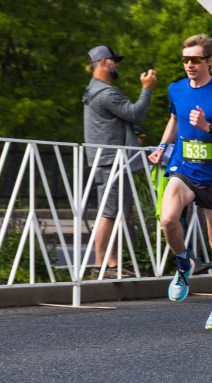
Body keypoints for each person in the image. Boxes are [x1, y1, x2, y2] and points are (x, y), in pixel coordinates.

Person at [147, 34, 212, 329]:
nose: (189, 65)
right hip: (183, 169)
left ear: (209, 61)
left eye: (195, 60)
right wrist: (162, 147)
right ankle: (183, 263)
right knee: (168, 219)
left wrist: (209, 127)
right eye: (185, 60)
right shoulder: (176, 89)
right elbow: (175, 120)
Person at [82, 45, 156, 278]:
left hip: (109, 159)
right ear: (104, 62)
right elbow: (135, 113)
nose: (117, 65)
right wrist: (147, 89)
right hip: (111, 161)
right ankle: (100, 264)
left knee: (116, 212)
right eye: (114, 60)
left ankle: (111, 264)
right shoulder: (107, 93)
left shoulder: (93, 91)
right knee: (110, 212)